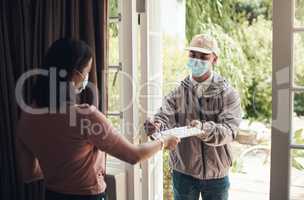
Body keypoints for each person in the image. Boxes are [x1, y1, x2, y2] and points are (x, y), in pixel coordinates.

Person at [15, 38, 180, 200]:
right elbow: (133, 155)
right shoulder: (85, 117)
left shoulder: (27, 116)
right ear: (74, 75)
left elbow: (29, 174)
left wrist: (60, 167)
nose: (87, 79)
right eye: (86, 72)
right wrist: (164, 142)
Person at [145, 34, 242, 200]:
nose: (197, 60)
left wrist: (202, 129)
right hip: (183, 173)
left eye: (203, 56)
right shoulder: (177, 93)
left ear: (215, 59)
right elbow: (164, 117)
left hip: (217, 176)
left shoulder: (228, 94)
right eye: (193, 55)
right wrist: (156, 125)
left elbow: (229, 131)